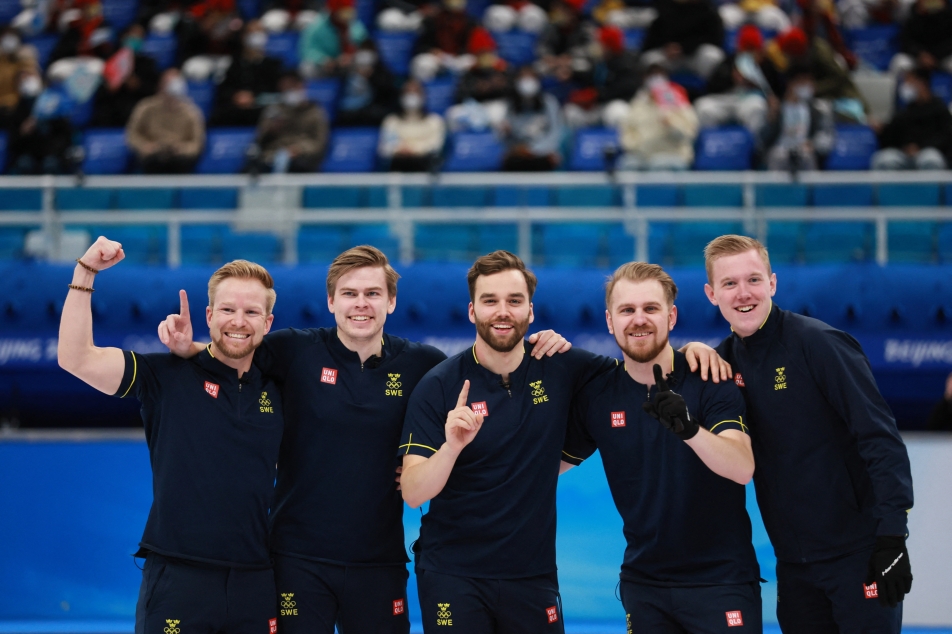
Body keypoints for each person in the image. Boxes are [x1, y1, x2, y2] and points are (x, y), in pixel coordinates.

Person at [157, 245, 574, 634]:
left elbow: (489, 372)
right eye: (350, 293)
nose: (361, 303)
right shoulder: (291, 350)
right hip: (296, 560)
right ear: (330, 302)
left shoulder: (424, 365)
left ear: (391, 302)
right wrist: (189, 346)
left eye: (373, 293)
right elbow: (235, 352)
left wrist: (538, 342)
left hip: (380, 561)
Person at [399, 250, 730, 634]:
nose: (502, 311)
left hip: (532, 575)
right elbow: (413, 492)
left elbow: (640, 363)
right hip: (453, 575)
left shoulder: (564, 365)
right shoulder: (439, 386)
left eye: (514, 301)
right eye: (489, 301)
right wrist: (452, 446)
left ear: (531, 311)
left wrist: (692, 350)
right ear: (472, 311)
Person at [58, 237, 283, 634]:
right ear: (210, 314)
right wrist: (85, 272)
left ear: (267, 322)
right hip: (179, 579)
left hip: (258, 579)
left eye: (251, 312)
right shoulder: (164, 375)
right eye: (228, 309)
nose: (238, 321)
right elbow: (76, 358)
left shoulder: (282, 387)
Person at [703, 234, 914, 632]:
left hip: (859, 555)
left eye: (753, 280)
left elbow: (880, 437)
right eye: (729, 284)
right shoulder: (722, 362)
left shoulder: (818, 344)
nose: (743, 293)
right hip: (794, 566)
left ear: (773, 283)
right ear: (712, 294)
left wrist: (892, 536)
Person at [561, 261, 762, 633]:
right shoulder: (598, 394)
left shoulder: (709, 377)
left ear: (671, 317)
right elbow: (540, 467)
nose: (639, 319)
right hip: (644, 584)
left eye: (651, 308)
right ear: (610, 321)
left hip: (720, 582)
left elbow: (742, 467)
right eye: (627, 310)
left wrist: (689, 430)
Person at [617, 64, 699, 171]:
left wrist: (671, 124)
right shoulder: (637, 104)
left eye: (659, 75)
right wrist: (636, 146)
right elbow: (626, 132)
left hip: (673, 155)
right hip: (643, 157)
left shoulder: (679, 103)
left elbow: (690, 134)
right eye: (651, 75)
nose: (656, 79)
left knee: (658, 165)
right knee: (627, 163)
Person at [871, 66, 952, 170]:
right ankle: (892, 187)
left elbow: (946, 138)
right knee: (883, 160)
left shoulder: (939, 109)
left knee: (931, 160)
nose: (906, 86)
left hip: (928, 152)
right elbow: (891, 138)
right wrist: (882, 131)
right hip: (904, 154)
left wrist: (920, 147)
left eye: (909, 81)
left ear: (922, 84)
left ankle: (929, 187)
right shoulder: (905, 109)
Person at [126, 68, 206, 174]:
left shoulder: (191, 112)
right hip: (153, 155)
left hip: (180, 158)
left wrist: (182, 149)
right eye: (168, 82)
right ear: (160, 85)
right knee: (154, 162)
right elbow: (133, 134)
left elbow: (197, 142)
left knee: (180, 163)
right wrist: (145, 147)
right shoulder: (145, 107)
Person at [249, 71, 329, 173]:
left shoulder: (315, 112)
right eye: (284, 88)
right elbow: (259, 141)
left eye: (292, 86)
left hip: (301, 159)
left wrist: (299, 149)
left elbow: (319, 143)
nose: (288, 91)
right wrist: (271, 130)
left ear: (301, 86)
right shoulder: (273, 110)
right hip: (272, 157)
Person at [761, 64, 834, 172]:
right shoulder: (776, 108)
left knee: (806, 157)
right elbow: (762, 141)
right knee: (777, 156)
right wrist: (771, 120)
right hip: (780, 151)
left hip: (805, 152)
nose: (808, 86)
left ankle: (811, 188)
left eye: (809, 82)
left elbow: (827, 137)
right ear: (791, 83)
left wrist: (814, 145)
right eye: (803, 82)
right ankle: (775, 189)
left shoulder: (817, 110)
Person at [213, 20, 284, 126]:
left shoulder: (274, 65)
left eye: (260, 32)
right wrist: (236, 96)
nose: (256, 36)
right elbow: (222, 89)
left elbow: (276, 93)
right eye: (252, 32)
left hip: (261, 109)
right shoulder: (232, 63)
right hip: (235, 109)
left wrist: (254, 97)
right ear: (243, 37)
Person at [640, 0, 726, 81]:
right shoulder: (665, 8)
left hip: (694, 55)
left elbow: (715, 39)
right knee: (649, 59)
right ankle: (658, 92)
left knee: (712, 55)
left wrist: (684, 47)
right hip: (669, 56)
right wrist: (667, 47)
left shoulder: (708, 11)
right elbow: (651, 39)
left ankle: (713, 89)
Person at [499, 67, 565, 171]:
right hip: (519, 153)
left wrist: (534, 150)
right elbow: (507, 137)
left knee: (546, 161)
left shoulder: (549, 102)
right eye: (523, 77)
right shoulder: (511, 105)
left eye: (530, 77)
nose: (527, 81)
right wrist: (506, 134)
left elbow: (555, 132)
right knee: (509, 161)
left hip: (543, 152)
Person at [379, 79, 446, 172]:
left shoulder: (434, 121)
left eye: (415, 92)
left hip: (424, 167)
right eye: (408, 92)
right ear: (401, 96)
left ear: (423, 96)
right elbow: (386, 148)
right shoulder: (391, 121)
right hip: (397, 168)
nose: (411, 96)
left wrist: (413, 149)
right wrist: (401, 150)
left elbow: (435, 146)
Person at [298, 0, 368, 78]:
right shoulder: (316, 27)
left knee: (365, 59)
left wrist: (352, 56)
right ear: (334, 12)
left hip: (349, 65)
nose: (347, 16)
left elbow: (365, 45)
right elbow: (307, 51)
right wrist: (324, 60)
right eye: (344, 12)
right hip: (326, 66)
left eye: (349, 12)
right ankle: (317, 89)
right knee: (307, 67)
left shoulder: (354, 25)